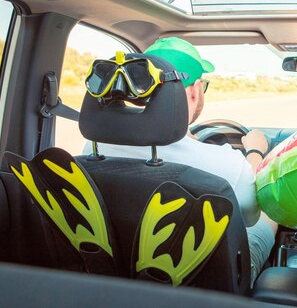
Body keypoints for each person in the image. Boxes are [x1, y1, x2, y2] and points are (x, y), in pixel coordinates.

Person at [83, 37, 277, 283]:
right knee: (269, 216)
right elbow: (250, 216)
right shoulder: (225, 164)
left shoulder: (92, 149)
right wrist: (255, 152)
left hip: (113, 277)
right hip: (209, 287)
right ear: (195, 90)